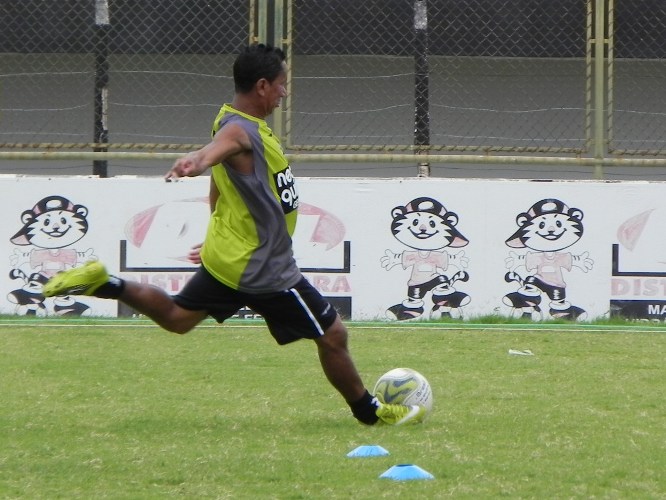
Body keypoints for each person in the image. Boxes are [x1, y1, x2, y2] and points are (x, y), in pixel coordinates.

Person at [43, 43, 425, 426]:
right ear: (261, 86)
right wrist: (193, 162)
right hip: (264, 267)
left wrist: (214, 232)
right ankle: (371, 414)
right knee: (333, 335)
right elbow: (212, 154)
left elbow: (221, 179)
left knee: (178, 318)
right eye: (281, 84)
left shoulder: (230, 119)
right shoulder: (239, 131)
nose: (284, 92)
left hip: (230, 256)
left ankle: (104, 282)